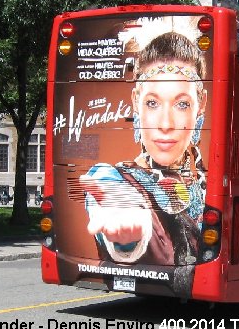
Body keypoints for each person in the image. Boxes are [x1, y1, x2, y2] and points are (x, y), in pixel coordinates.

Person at [80, 28, 208, 296]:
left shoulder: (211, 178)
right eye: (152, 103)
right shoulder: (119, 178)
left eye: (182, 104)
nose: (165, 124)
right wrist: (124, 226)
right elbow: (108, 189)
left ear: (201, 105)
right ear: (136, 102)